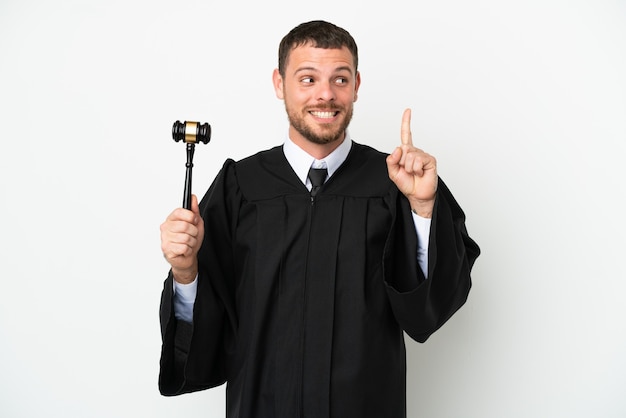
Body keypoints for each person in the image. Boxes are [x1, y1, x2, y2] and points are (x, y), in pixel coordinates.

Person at [159, 20, 480, 418]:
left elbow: (428, 310)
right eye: (307, 78)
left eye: (340, 79)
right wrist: (185, 272)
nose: (325, 95)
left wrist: (424, 209)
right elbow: (210, 325)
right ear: (280, 84)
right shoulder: (241, 187)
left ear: (357, 85)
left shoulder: (395, 183)